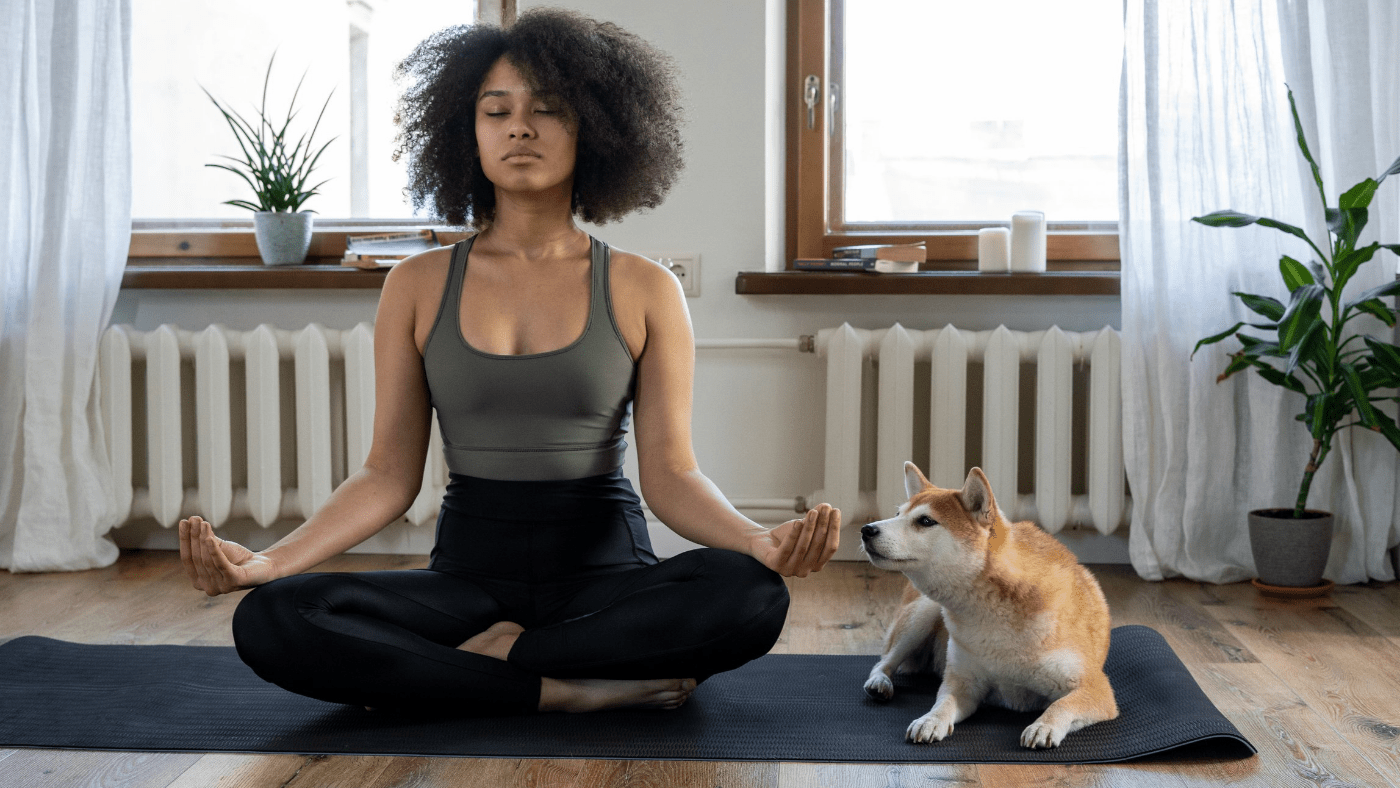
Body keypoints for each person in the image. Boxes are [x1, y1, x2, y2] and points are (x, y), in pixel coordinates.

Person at [177, 8, 841, 716]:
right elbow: (386, 475)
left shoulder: (645, 287)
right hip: (468, 581)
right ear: (469, 134)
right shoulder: (416, 284)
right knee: (273, 618)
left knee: (750, 598)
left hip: (604, 575)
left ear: (594, 129)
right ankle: (561, 687)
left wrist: (755, 541)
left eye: (547, 110)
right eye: (497, 111)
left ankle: (488, 668)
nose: (519, 127)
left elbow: (672, 475)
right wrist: (272, 562)